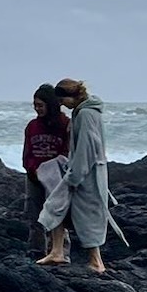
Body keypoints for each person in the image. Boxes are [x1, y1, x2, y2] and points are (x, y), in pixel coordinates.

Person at [37, 78, 117, 274]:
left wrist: (74, 176)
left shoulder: (86, 114)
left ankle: (96, 262)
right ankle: (57, 251)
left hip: (86, 174)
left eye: (63, 100)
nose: (62, 105)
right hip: (80, 171)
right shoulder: (83, 111)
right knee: (57, 207)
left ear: (71, 96)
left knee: (87, 215)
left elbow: (86, 148)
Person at [22, 83, 70, 254]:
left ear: (50, 104)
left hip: (56, 179)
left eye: (40, 105)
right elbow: (27, 153)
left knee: (57, 215)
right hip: (34, 176)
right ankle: (36, 251)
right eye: (35, 105)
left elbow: (66, 151)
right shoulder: (32, 126)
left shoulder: (65, 124)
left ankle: (60, 252)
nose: (37, 109)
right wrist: (32, 169)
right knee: (34, 216)